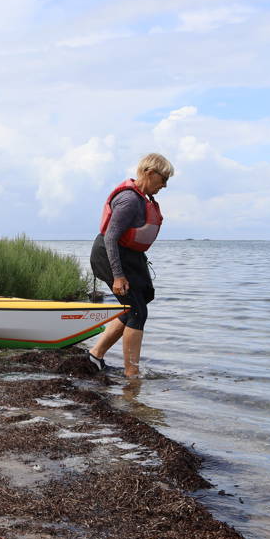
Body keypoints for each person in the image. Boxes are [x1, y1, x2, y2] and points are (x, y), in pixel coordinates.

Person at [85, 153, 174, 378]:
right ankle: (131, 373)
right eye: (163, 179)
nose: (164, 185)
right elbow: (110, 238)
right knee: (137, 311)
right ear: (149, 173)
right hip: (108, 255)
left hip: (128, 256)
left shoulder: (142, 199)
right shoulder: (129, 200)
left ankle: (95, 355)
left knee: (138, 303)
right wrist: (118, 276)